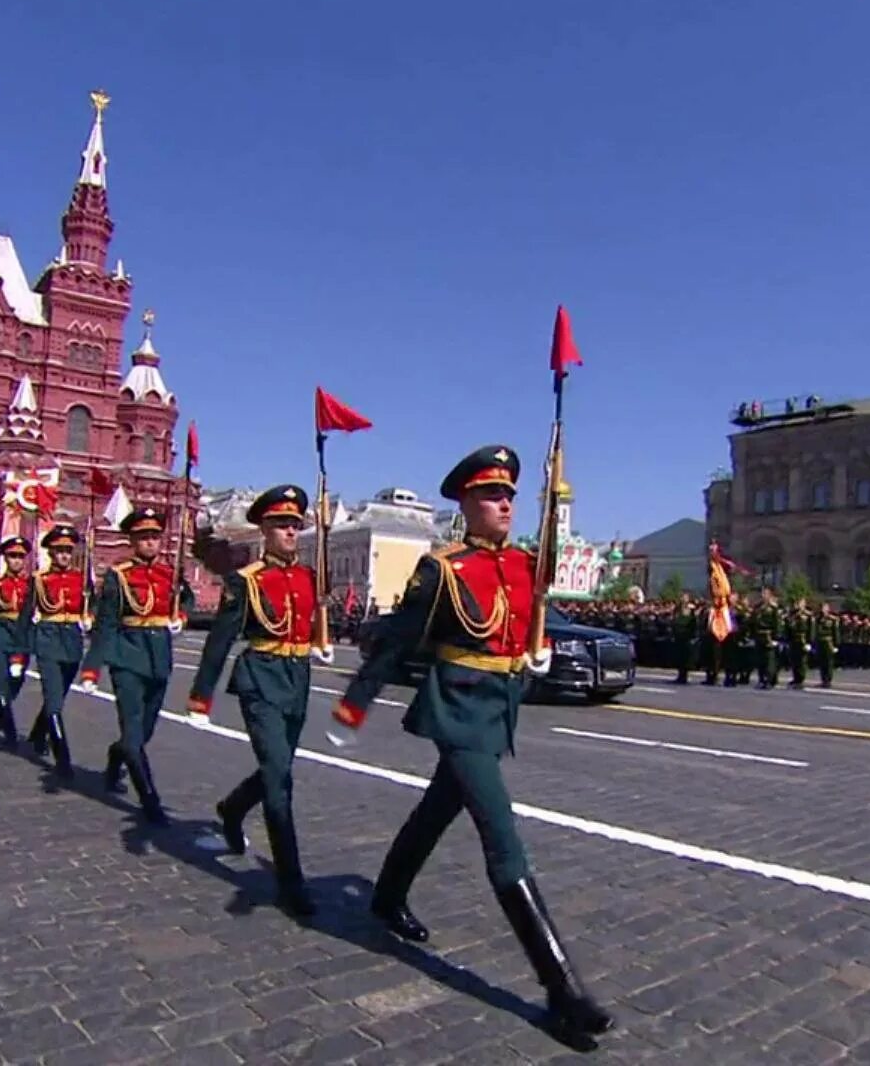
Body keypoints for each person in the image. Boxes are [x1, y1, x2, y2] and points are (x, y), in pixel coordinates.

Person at [330, 446, 613, 1045]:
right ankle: (562, 989)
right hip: (457, 708)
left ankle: (385, 897)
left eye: (509, 494)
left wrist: (534, 654)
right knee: (502, 837)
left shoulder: (524, 563)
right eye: (491, 495)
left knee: (437, 810)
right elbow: (400, 638)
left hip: (498, 705)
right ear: (464, 503)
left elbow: (528, 617)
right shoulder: (444, 569)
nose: (505, 503)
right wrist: (357, 700)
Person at [188, 485, 320, 917]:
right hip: (259, 679)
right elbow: (220, 641)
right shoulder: (245, 582)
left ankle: (232, 808)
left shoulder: (307, 577)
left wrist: (319, 643)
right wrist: (200, 697)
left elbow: (309, 620)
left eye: (294, 524)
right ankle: (291, 880)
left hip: (297, 680)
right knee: (280, 779)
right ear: (264, 529)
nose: (289, 531)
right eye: (281, 524)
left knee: (275, 770)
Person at [83, 508, 192, 825]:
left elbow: (186, 599)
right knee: (133, 734)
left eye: (154, 537)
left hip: (159, 659)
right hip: (127, 657)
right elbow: (105, 623)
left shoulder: (170, 573)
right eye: (143, 537)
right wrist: (92, 667)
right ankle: (149, 800)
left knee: (143, 733)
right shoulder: (119, 576)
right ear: (132, 540)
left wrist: (180, 617)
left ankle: (116, 756)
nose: (150, 543)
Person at [29, 525, 90, 778]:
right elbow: (27, 613)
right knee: (54, 700)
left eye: (67, 550)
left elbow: (93, 604)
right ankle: (62, 758)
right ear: (51, 553)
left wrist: (90, 618)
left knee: (58, 695)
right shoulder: (39, 580)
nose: (64, 555)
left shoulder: (82, 579)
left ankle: (36, 734)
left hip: (72, 641)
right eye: (59, 551)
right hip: (48, 639)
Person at [0, 537, 35, 746]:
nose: (16, 561)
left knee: (17, 679)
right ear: (5, 559)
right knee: (1, 678)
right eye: (12, 556)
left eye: (20, 557)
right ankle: (9, 730)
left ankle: (1, 710)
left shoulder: (32, 584)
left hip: (22, 635)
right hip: (0, 632)